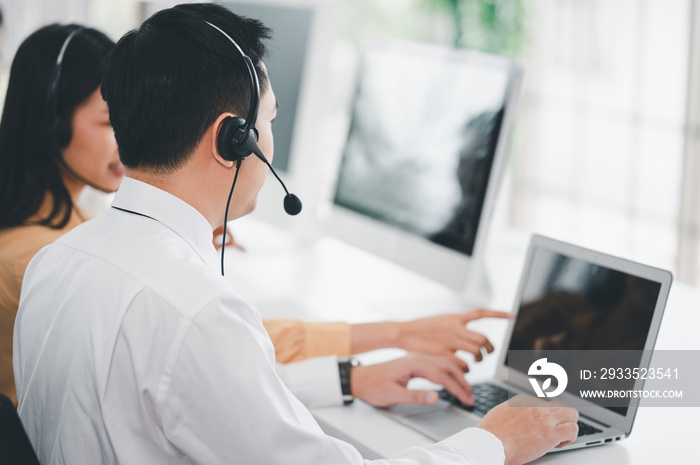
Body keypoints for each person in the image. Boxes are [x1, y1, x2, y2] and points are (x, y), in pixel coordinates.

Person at [15, 4, 578, 464]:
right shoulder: (194, 309)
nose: (272, 139)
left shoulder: (58, 259)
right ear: (232, 141)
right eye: (270, 122)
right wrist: (494, 443)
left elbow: (198, 394)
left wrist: (349, 378)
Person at [0, 24, 119, 406]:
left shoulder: (67, 217)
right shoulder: (39, 257)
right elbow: (173, 340)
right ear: (53, 126)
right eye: (109, 121)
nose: (131, 138)